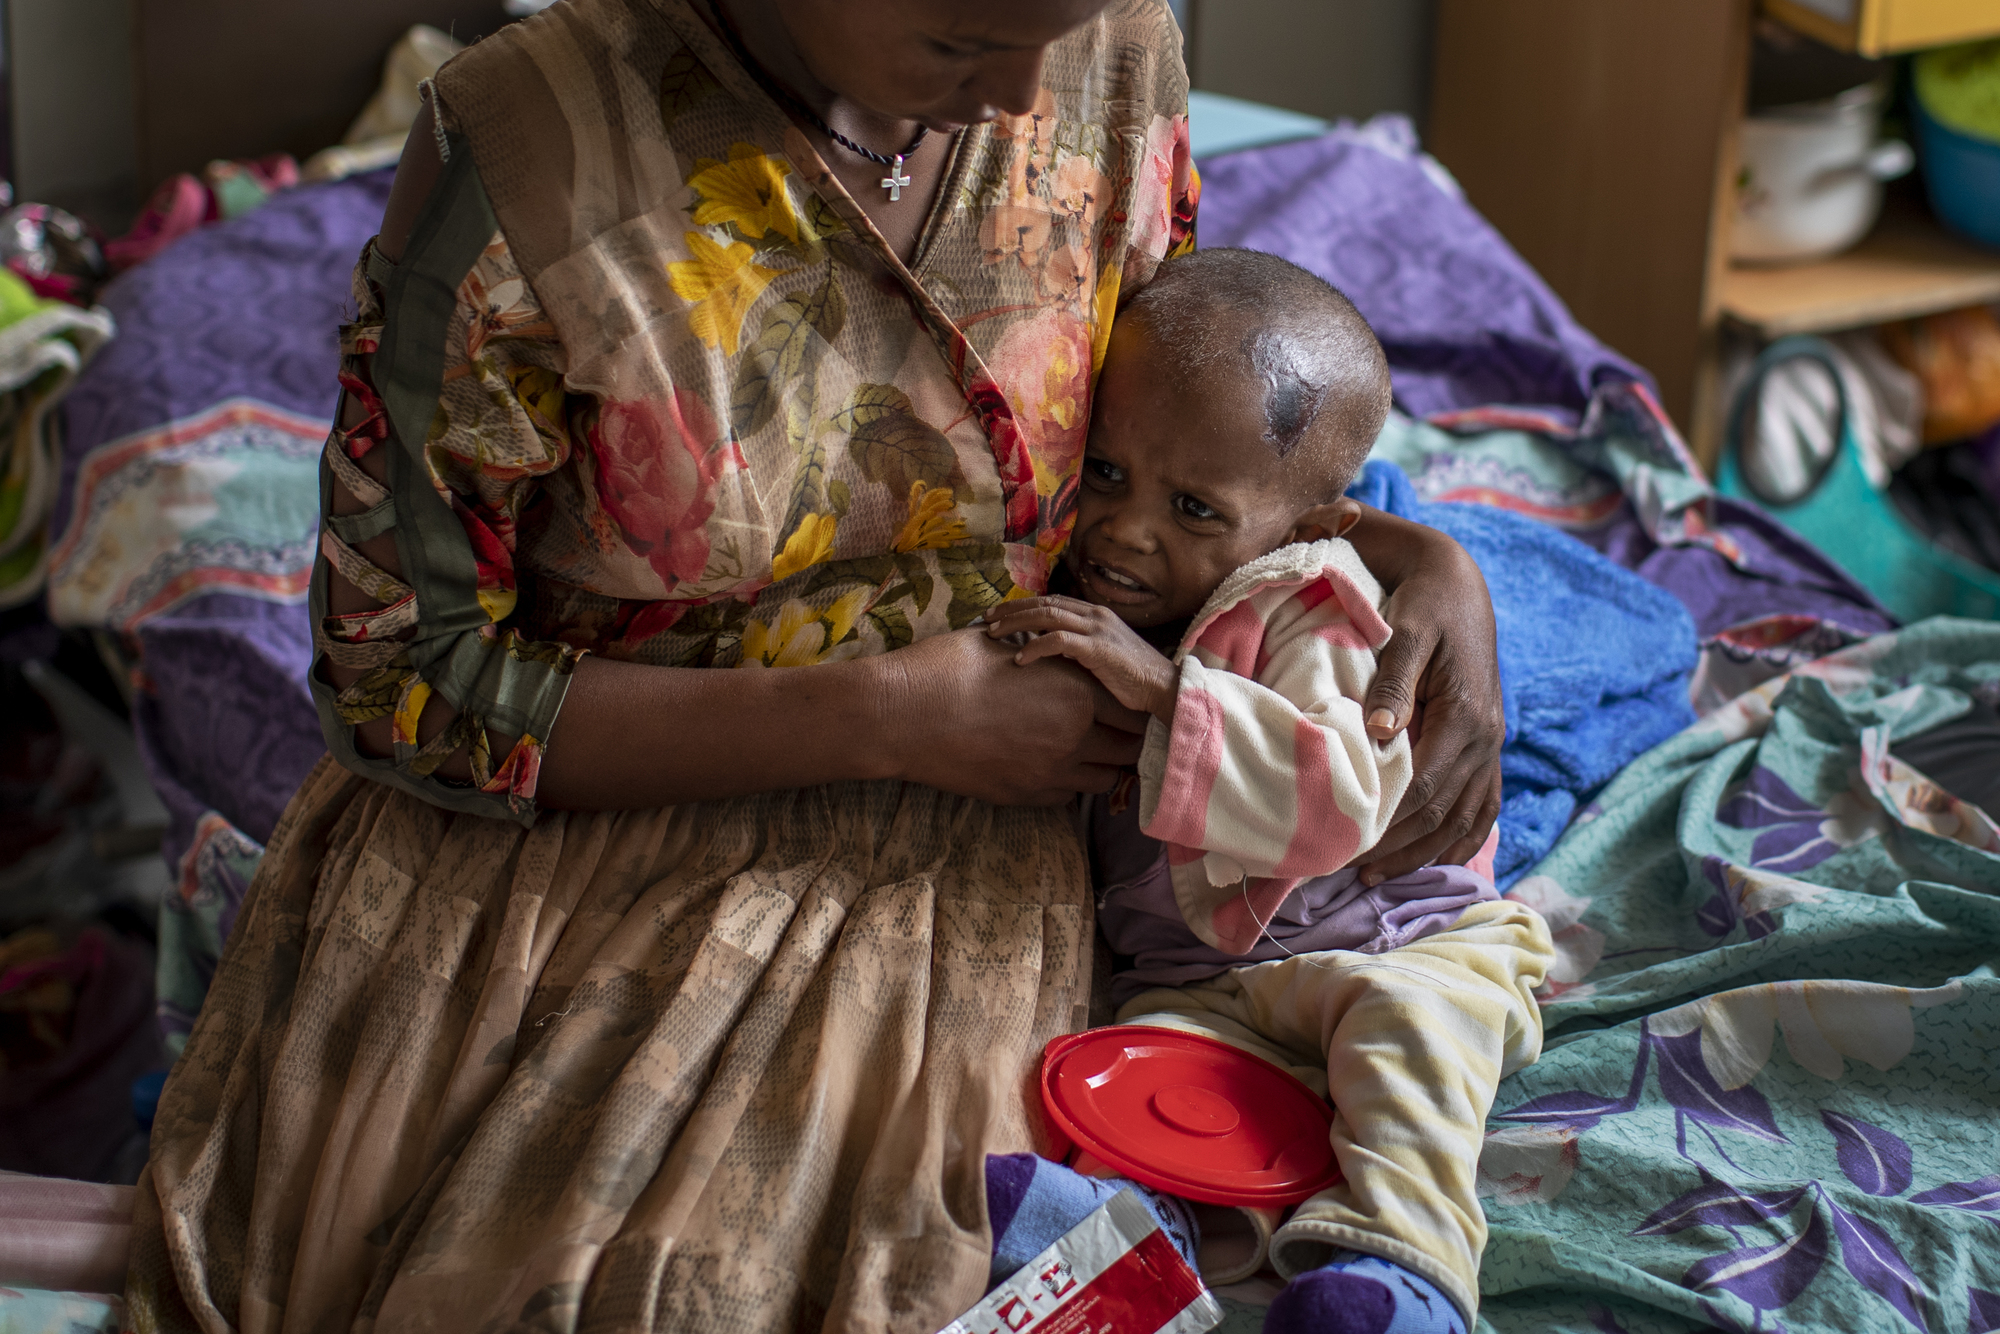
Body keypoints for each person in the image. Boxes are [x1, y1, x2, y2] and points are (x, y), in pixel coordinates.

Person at [127, 1, 1510, 1329]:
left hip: (975, 837)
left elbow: (1171, 430)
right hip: (581, 832)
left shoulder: (1113, 51)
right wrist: (884, 718)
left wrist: (1414, 557)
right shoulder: (528, 152)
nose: (1032, 97)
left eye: (1061, 30)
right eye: (963, 35)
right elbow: (398, 684)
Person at [978, 250, 1552, 1334]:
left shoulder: (1309, 605)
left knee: (1405, 1048)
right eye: (1104, 472)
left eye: (1193, 505)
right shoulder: (1089, 591)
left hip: (1391, 939)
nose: (1127, 529)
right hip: (1211, 975)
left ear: (1304, 526)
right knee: (1145, 1076)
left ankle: (1401, 1275)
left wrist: (1160, 693)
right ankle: (1123, 1235)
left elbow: (1337, 801)